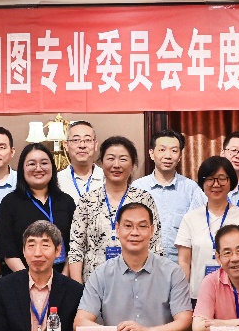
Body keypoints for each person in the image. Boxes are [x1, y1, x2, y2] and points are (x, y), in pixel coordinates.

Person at [74, 203, 192, 331]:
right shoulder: (101, 274)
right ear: (117, 229)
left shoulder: (172, 272)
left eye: (142, 226)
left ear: (152, 230)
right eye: (128, 226)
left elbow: (185, 321)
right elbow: (80, 323)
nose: (135, 232)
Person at [68, 136, 162, 285]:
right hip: (95, 285)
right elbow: (76, 248)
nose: (116, 165)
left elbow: (155, 246)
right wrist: (78, 288)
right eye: (110, 158)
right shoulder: (87, 200)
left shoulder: (143, 199)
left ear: (133, 164)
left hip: (138, 284)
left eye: (123, 159)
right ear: (101, 163)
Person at [176, 156, 239, 303]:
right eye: (210, 179)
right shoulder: (190, 218)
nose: (216, 184)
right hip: (199, 296)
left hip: (238, 296)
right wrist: (183, 297)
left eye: (222, 178)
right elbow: (184, 261)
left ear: (231, 182)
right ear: (202, 183)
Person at [0, 220, 84, 331]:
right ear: (23, 251)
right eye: (31, 246)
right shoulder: (4, 287)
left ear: (58, 251)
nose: (37, 253)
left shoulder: (74, 291)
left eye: (45, 246)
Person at [0, 143, 76, 276]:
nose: (38, 168)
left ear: (52, 167)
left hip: (61, 279)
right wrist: (30, 280)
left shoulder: (66, 202)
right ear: (22, 169)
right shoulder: (9, 203)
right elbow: (8, 250)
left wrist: (62, 279)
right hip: (21, 279)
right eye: (31, 164)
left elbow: (75, 245)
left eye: (44, 163)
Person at [133, 129, 204, 263]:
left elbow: (200, 229)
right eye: (162, 150)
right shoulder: (138, 188)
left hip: (180, 265)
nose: (168, 156)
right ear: (151, 153)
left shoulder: (191, 189)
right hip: (144, 264)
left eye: (174, 151)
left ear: (180, 156)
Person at [57, 120, 105, 203]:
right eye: (76, 140)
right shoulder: (57, 180)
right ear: (66, 145)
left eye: (88, 140)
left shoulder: (106, 178)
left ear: (95, 145)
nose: (82, 145)